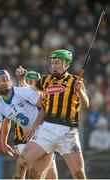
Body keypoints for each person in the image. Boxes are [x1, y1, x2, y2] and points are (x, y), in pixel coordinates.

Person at [14, 49, 89, 179]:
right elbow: (29, 92)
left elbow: (85, 105)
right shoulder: (45, 80)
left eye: (57, 63)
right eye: (52, 63)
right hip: (47, 129)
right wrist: (21, 80)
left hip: (68, 132)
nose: (54, 66)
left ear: (66, 64)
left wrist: (80, 92)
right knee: (22, 163)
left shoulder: (75, 81)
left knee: (79, 174)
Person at [0, 69, 55, 178]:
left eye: (4, 80)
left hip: (46, 133)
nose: (1, 84)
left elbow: (46, 107)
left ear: (10, 81)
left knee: (38, 173)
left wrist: (34, 126)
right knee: (24, 168)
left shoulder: (23, 92)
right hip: (33, 139)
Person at [1, 68, 58, 179]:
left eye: (35, 82)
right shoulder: (21, 96)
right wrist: (3, 142)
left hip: (44, 141)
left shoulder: (45, 99)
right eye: (29, 81)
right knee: (35, 173)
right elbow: (7, 120)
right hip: (23, 141)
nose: (32, 84)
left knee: (52, 176)